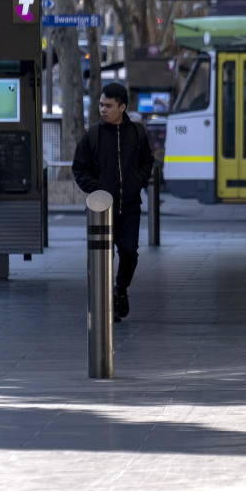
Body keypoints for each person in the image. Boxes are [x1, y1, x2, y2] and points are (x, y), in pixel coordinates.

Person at [72, 83, 153, 322]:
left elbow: (147, 162)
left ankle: (121, 288)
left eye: (108, 105)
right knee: (103, 257)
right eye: (100, 105)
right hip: (101, 209)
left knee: (129, 252)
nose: (103, 110)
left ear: (122, 107)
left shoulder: (137, 133)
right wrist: (97, 190)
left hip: (129, 207)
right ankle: (107, 300)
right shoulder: (93, 135)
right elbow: (79, 168)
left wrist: (137, 182)